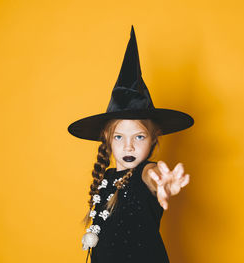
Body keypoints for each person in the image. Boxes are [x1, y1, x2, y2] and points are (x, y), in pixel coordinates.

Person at [68, 26, 194, 263]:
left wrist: (161, 182)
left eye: (139, 137)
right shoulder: (106, 178)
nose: (128, 147)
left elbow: (151, 175)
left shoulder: (146, 173)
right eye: (119, 137)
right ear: (107, 139)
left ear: (153, 140)